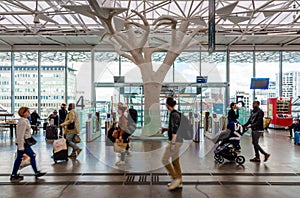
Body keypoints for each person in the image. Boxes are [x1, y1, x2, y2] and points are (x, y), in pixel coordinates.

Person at [10, 106, 46, 181]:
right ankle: (15, 174)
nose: (29, 113)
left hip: (25, 143)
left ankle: (15, 174)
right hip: (23, 143)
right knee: (27, 157)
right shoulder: (23, 121)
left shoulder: (25, 120)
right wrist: (21, 146)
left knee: (21, 158)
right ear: (23, 113)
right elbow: (20, 135)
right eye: (27, 112)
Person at [161, 97, 183, 190]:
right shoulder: (176, 113)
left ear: (167, 104)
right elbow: (174, 128)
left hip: (175, 141)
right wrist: (165, 129)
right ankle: (180, 182)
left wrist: (173, 144)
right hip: (178, 140)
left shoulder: (173, 115)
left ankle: (176, 178)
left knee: (164, 160)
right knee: (175, 161)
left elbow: (175, 130)